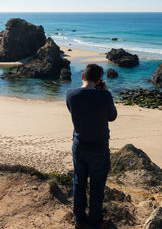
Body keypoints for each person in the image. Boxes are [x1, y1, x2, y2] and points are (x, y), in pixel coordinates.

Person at [66, 64, 117, 229]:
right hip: (99, 149)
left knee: (79, 183)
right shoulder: (105, 96)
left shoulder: (70, 95)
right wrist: (104, 92)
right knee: (97, 187)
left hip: (79, 147)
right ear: (99, 80)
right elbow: (112, 116)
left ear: (82, 76)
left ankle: (79, 221)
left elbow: (76, 111)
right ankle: (95, 222)